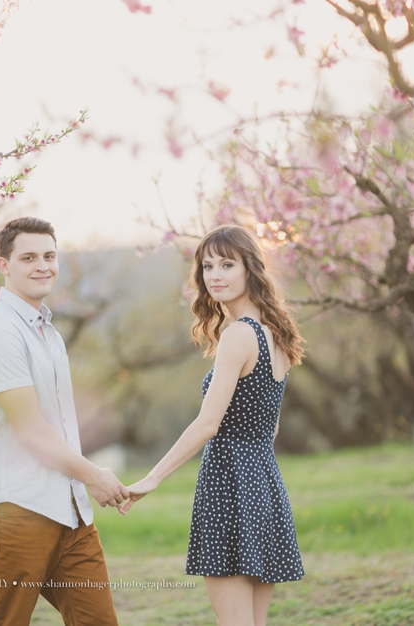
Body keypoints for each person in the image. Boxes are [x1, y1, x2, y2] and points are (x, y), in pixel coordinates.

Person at [119, 224, 305, 626]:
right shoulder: (278, 335)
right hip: (263, 484)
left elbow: (207, 425)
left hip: (229, 486)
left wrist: (152, 478)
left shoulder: (239, 335)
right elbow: (268, 429)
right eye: (207, 266)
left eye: (227, 264)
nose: (215, 275)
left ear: (250, 269)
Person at [0, 216, 128, 626]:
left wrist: (82, 485)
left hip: (69, 513)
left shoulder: (46, 332)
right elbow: (31, 431)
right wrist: (95, 475)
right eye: (29, 257)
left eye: (49, 256)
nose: (42, 266)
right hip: (14, 510)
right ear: (4, 265)